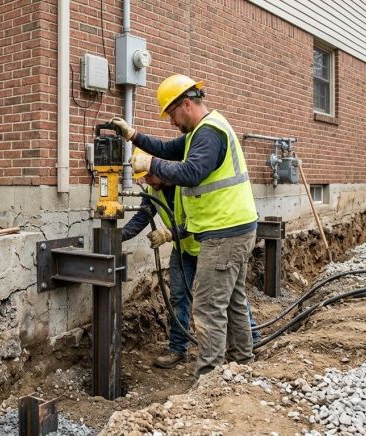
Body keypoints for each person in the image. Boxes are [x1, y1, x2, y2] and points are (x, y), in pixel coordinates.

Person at [111, 74, 259, 377]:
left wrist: (149, 164)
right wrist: (134, 136)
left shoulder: (208, 133)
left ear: (187, 104)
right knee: (231, 302)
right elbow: (167, 148)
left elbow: (191, 173)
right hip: (233, 228)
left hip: (224, 232)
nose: (171, 122)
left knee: (207, 308)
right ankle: (242, 364)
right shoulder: (199, 133)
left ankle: (208, 379)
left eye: (171, 114)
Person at [122, 154, 260, 369]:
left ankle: (253, 339)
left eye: (149, 175)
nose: (146, 181)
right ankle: (178, 349)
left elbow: (197, 221)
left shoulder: (185, 185)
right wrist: (116, 237)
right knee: (178, 297)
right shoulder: (152, 190)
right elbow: (142, 217)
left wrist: (169, 234)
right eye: (143, 177)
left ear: (163, 168)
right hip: (183, 250)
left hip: (208, 247)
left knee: (229, 294)